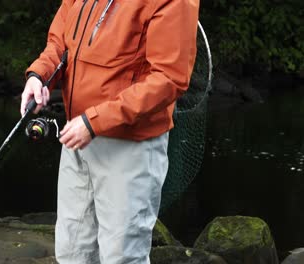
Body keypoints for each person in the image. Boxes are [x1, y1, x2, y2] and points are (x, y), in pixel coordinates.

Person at [20, 0, 199, 263]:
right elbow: (60, 43)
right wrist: (39, 75)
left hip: (130, 148)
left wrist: (95, 121)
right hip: (77, 138)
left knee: (122, 257)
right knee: (72, 252)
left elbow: (169, 79)